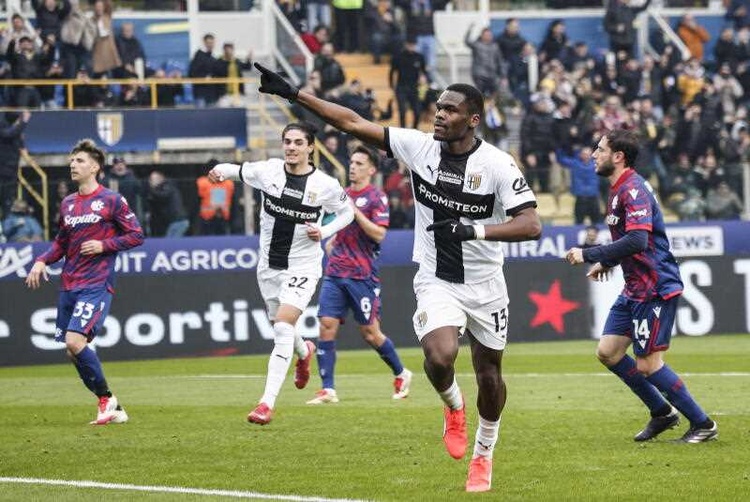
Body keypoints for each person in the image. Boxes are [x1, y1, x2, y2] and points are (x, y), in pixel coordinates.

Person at [251, 63, 541, 491]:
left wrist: (473, 231)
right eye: (438, 107)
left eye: (450, 110)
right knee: (440, 357)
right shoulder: (419, 147)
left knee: (489, 374)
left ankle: (484, 454)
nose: (439, 114)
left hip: (486, 284)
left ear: (473, 119)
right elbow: (351, 122)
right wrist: (294, 95)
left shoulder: (497, 164)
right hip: (436, 278)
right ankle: (453, 407)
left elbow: (531, 225)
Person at [565, 129, 718, 444]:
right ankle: (662, 413)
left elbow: (637, 240)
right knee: (608, 352)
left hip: (654, 287)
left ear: (618, 156)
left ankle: (703, 424)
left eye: (600, 149)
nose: (594, 155)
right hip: (635, 287)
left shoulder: (632, 189)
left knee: (648, 365)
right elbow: (630, 240)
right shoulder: (618, 188)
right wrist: (608, 262)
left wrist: (589, 254)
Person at [207, 122, 354, 425]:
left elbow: (347, 212)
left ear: (310, 147)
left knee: (284, 327)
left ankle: (266, 403)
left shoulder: (325, 184)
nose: (291, 147)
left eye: (298, 142)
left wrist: (324, 230)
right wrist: (218, 171)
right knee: (280, 325)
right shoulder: (268, 171)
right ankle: (305, 351)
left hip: (303, 266)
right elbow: (235, 170)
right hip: (269, 266)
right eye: (287, 141)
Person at [25, 139, 144, 425]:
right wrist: (42, 261)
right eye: (72, 161)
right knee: (72, 350)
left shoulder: (112, 200)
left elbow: (136, 235)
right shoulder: (68, 203)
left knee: (74, 341)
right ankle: (112, 404)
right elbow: (61, 243)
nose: (73, 165)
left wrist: (105, 245)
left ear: (95, 167)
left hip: (96, 283)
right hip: (69, 284)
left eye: (79, 161)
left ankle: (107, 401)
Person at [308, 145, 413, 405]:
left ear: (371, 169)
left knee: (370, 333)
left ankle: (401, 373)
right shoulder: (341, 194)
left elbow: (379, 234)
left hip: (361, 274)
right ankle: (328, 389)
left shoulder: (377, 197)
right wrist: (333, 239)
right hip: (335, 270)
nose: (353, 167)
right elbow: (336, 223)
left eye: (359, 163)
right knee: (326, 326)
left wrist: (354, 211)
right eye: (352, 162)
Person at [0, 111, 31, 219]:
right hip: (3, 169)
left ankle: (6, 221)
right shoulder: (3, 127)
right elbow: (8, 134)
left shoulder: (15, 132)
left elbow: (20, 144)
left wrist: (22, 143)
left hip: (12, 169)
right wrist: (24, 122)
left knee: (8, 200)